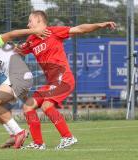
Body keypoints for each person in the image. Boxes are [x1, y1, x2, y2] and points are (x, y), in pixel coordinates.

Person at [17, 10, 116, 150]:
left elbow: (80, 29)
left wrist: (100, 25)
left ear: (39, 20)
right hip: (51, 83)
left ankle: (68, 137)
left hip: (63, 79)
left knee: (46, 105)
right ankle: (38, 143)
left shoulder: (54, 32)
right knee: (28, 106)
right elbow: (17, 51)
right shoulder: (31, 40)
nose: (28, 24)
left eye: (30, 21)